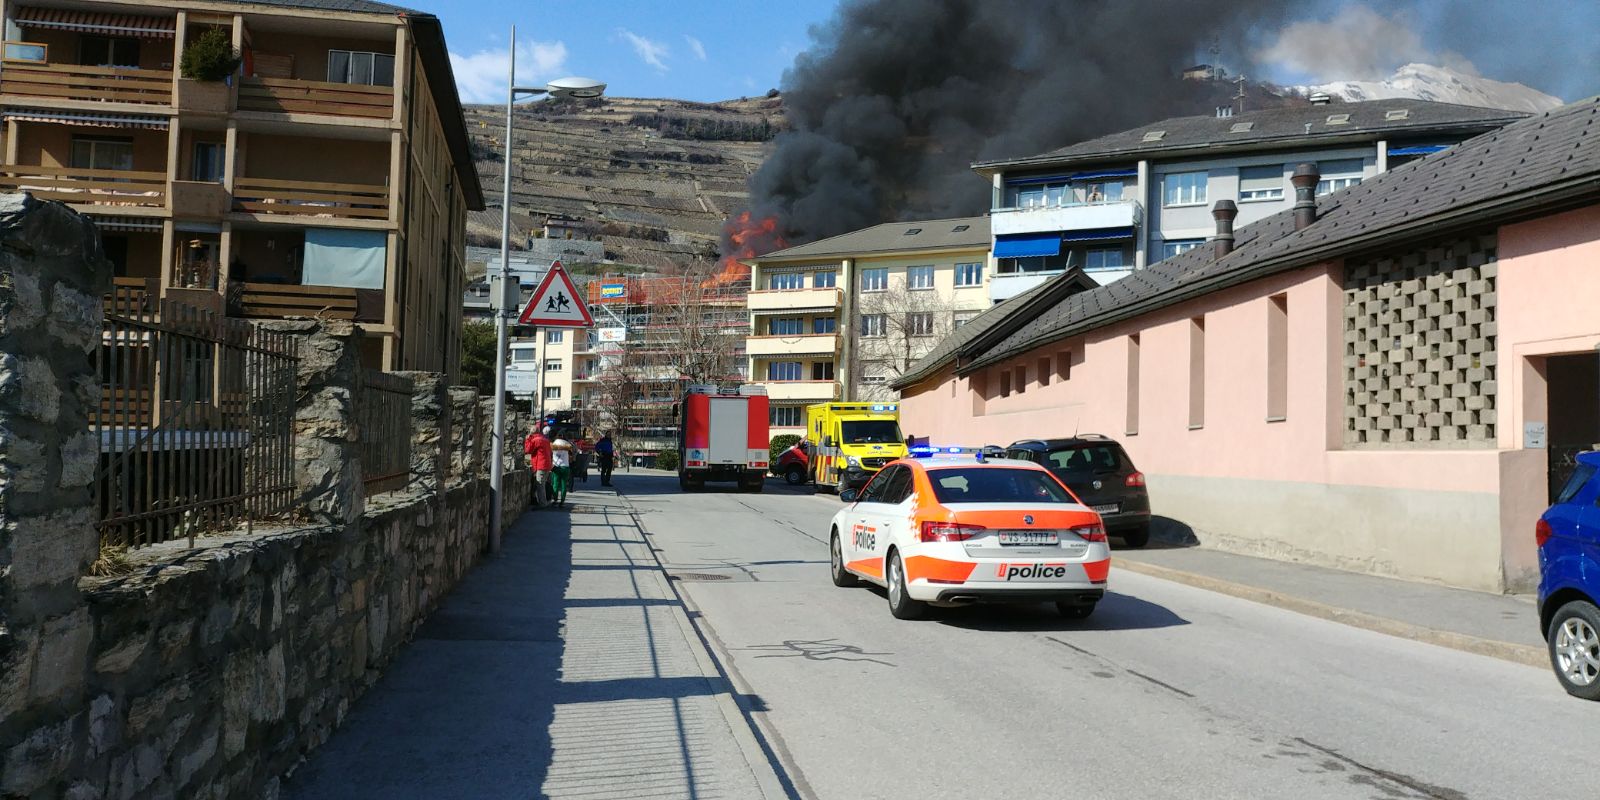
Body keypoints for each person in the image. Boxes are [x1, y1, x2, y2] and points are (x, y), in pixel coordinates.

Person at [524, 426, 553, 506]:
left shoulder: (535, 440)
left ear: (532, 432)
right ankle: (542, 501)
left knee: (540, 484)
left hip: (541, 465)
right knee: (542, 483)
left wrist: (527, 439)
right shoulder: (545, 440)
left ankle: (542, 504)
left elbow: (527, 450)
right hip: (547, 464)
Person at [550, 436, 573, 507]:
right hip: (565, 466)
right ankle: (562, 501)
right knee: (564, 485)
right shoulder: (567, 446)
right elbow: (572, 453)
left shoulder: (553, 446)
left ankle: (555, 499)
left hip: (556, 467)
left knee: (555, 484)